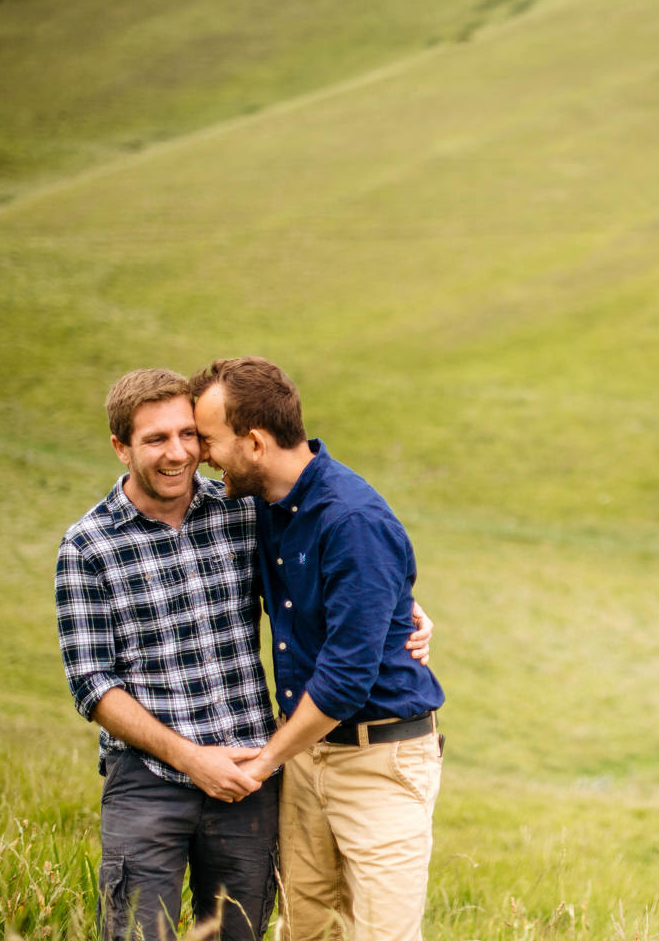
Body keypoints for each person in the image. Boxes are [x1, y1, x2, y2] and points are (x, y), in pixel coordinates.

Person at [54, 368, 432, 941]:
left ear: (248, 442)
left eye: (197, 436)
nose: (189, 455)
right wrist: (192, 759)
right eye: (158, 439)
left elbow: (353, 571)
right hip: (175, 775)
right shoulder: (92, 544)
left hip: (276, 770)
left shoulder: (241, 509)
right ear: (121, 447)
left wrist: (403, 611)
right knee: (150, 932)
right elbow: (90, 682)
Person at [191, 357, 445, 941]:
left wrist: (262, 762)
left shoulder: (351, 519)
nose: (203, 455)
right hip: (306, 758)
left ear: (254, 442)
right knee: (306, 931)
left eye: (209, 441)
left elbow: (344, 680)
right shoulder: (264, 502)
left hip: (380, 763)